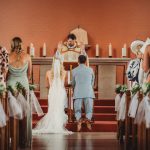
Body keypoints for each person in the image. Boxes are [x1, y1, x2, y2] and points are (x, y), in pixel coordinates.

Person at [33, 50, 72, 134]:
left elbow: (47, 85)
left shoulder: (48, 72)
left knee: (52, 109)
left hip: (52, 92)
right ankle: (58, 126)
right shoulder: (65, 73)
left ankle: (52, 125)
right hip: (61, 92)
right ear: (61, 62)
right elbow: (65, 84)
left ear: (53, 62)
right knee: (59, 109)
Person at [6, 37, 32, 148]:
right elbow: (29, 74)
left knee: (11, 112)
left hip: (11, 85)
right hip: (24, 85)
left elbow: (5, 74)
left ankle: (12, 137)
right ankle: (23, 138)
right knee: (25, 112)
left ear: (12, 45)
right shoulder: (27, 56)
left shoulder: (7, 57)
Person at [72, 55, 95, 131]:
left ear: (78, 61)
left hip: (78, 92)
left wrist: (75, 88)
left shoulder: (74, 70)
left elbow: (73, 83)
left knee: (77, 109)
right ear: (85, 61)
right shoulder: (90, 70)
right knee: (89, 109)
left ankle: (79, 122)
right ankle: (88, 120)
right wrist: (88, 87)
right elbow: (92, 82)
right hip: (88, 91)